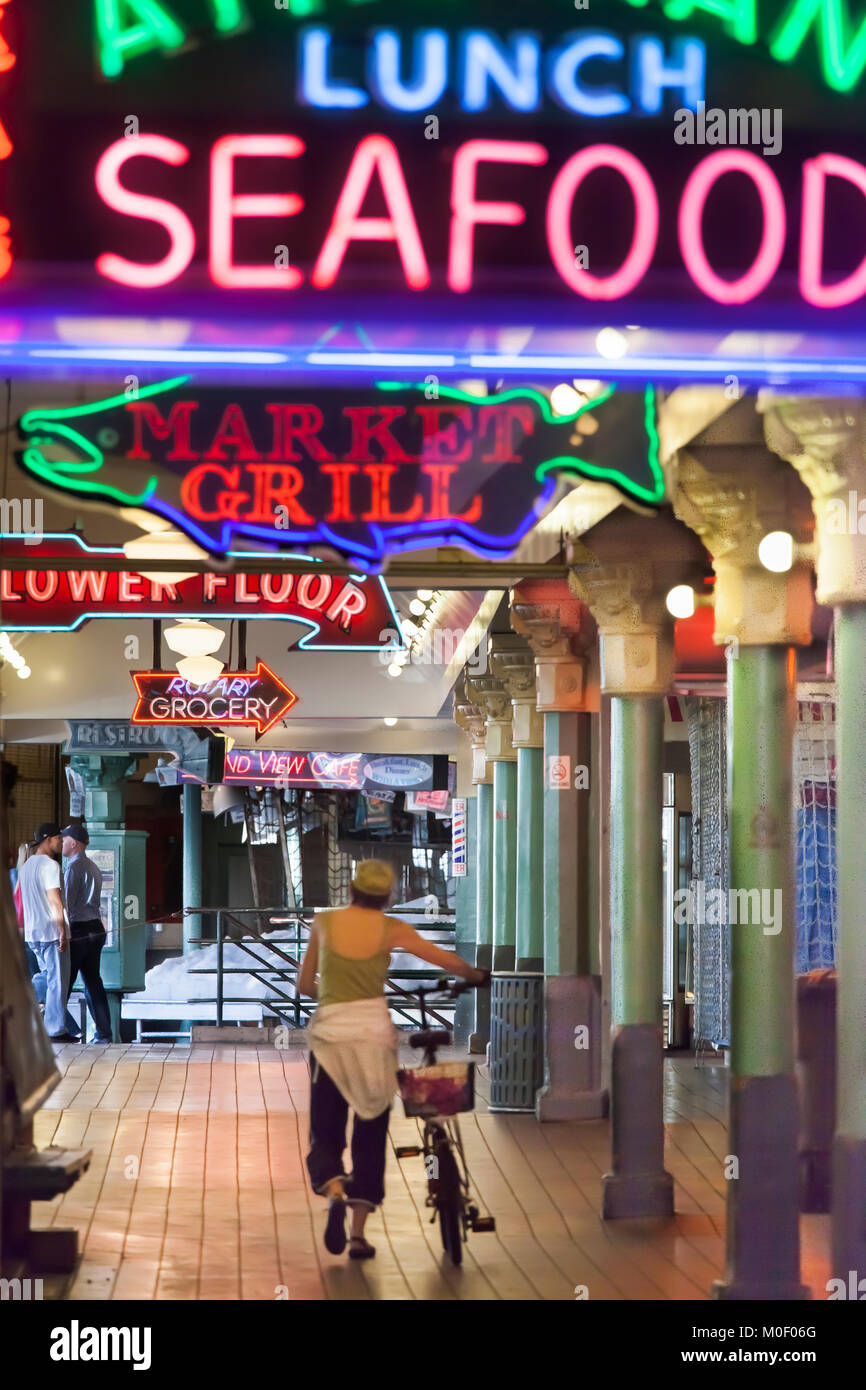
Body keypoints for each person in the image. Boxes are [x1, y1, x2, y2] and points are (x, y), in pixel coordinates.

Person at [297, 858, 489, 1261]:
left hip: (329, 1037)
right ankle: (358, 1236)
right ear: (387, 896)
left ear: (351, 890)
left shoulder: (324, 923)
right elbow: (444, 959)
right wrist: (474, 975)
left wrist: (334, 997)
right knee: (369, 1133)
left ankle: (333, 1191)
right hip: (373, 1038)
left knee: (326, 1129)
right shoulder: (391, 928)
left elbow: (303, 984)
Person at [18, 823, 76, 1042]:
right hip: (51, 932)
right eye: (59, 839)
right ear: (48, 839)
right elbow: (54, 900)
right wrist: (61, 929)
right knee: (57, 982)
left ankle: (27, 1000)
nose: (61, 842)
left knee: (47, 976)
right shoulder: (50, 866)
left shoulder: (26, 865)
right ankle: (55, 1030)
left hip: (33, 933)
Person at [61, 822, 112, 1044]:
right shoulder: (93, 866)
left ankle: (62, 1030)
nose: (61, 844)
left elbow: (67, 905)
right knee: (93, 982)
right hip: (96, 929)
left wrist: (62, 931)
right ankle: (104, 1033)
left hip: (79, 930)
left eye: (63, 840)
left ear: (73, 843)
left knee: (64, 983)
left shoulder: (72, 867)